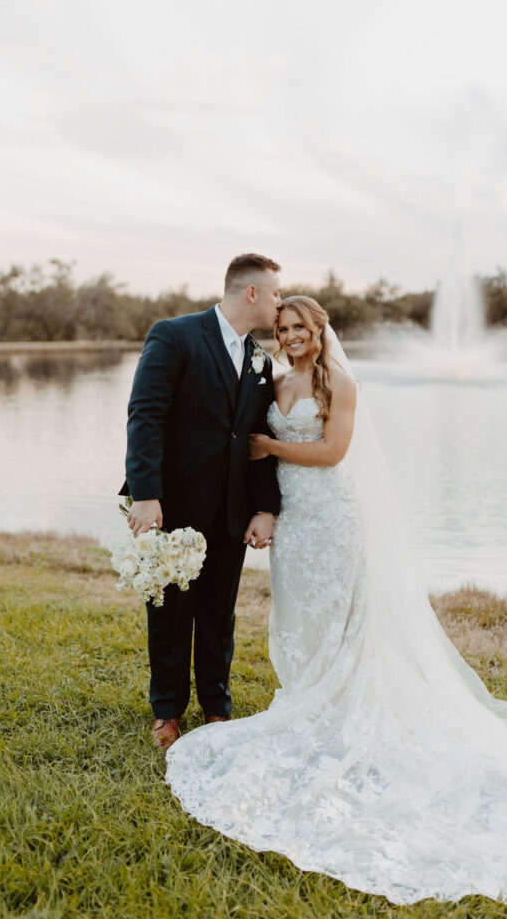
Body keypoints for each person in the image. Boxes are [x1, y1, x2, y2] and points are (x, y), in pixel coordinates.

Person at [164, 295, 507, 912]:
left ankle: (342, 710)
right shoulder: (271, 378)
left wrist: (268, 448)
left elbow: (332, 453)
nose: (291, 334)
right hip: (294, 525)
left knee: (342, 619)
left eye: (300, 326)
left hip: (333, 518)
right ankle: (307, 699)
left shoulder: (342, 384)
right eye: (283, 327)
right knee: (299, 617)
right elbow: (249, 448)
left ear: (319, 329)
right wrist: (265, 505)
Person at [119, 253, 282, 748]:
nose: (280, 302)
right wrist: (146, 495)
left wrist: (265, 507)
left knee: (218, 612)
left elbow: (259, 438)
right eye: (275, 293)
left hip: (231, 511)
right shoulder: (175, 335)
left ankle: (217, 707)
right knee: (168, 610)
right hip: (173, 506)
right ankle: (167, 711)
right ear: (251, 292)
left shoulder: (261, 359)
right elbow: (144, 416)